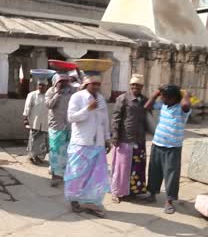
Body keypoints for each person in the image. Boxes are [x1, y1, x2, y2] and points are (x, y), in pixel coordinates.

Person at [64, 75, 111, 217]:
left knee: (96, 176)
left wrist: (107, 138)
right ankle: (74, 199)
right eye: (93, 84)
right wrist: (87, 109)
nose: (96, 87)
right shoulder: (77, 97)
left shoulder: (101, 98)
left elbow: (105, 119)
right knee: (77, 174)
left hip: (98, 143)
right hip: (81, 142)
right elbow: (71, 118)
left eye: (98, 84)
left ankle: (91, 202)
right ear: (86, 84)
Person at [144, 84, 191, 214]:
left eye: (165, 96)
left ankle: (169, 201)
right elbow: (147, 107)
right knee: (154, 171)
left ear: (174, 98)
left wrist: (185, 93)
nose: (162, 98)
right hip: (157, 144)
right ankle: (152, 194)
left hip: (173, 147)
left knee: (171, 174)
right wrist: (155, 95)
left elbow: (186, 105)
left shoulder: (182, 109)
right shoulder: (163, 105)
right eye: (162, 96)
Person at [111, 74, 149, 203]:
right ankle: (117, 192)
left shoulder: (145, 100)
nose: (135, 87)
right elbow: (116, 118)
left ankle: (133, 192)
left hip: (139, 139)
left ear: (142, 87)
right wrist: (115, 135)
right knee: (122, 168)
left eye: (138, 85)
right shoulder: (122, 98)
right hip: (125, 139)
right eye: (133, 85)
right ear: (130, 85)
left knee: (137, 168)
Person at [46, 73, 75, 187]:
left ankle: (62, 173)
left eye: (65, 81)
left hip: (69, 126)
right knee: (55, 150)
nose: (63, 84)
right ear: (55, 82)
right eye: (60, 81)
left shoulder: (72, 92)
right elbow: (49, 105)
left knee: (66, 151)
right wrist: (57, 93)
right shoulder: (50, 91)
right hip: (56, 126)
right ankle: (55, 175)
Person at [23, 79, 49, 165]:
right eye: (40, 85)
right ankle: (32, 156)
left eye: (43, 85)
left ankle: (40, 157)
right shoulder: (32, 95)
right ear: (37, 86)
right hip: (34, 121)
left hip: (45, 122)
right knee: (33, 140)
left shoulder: (49, 95)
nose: (41, 87)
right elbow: (27, 107)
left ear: (46, 86)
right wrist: (25, 119)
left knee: (43, 141)